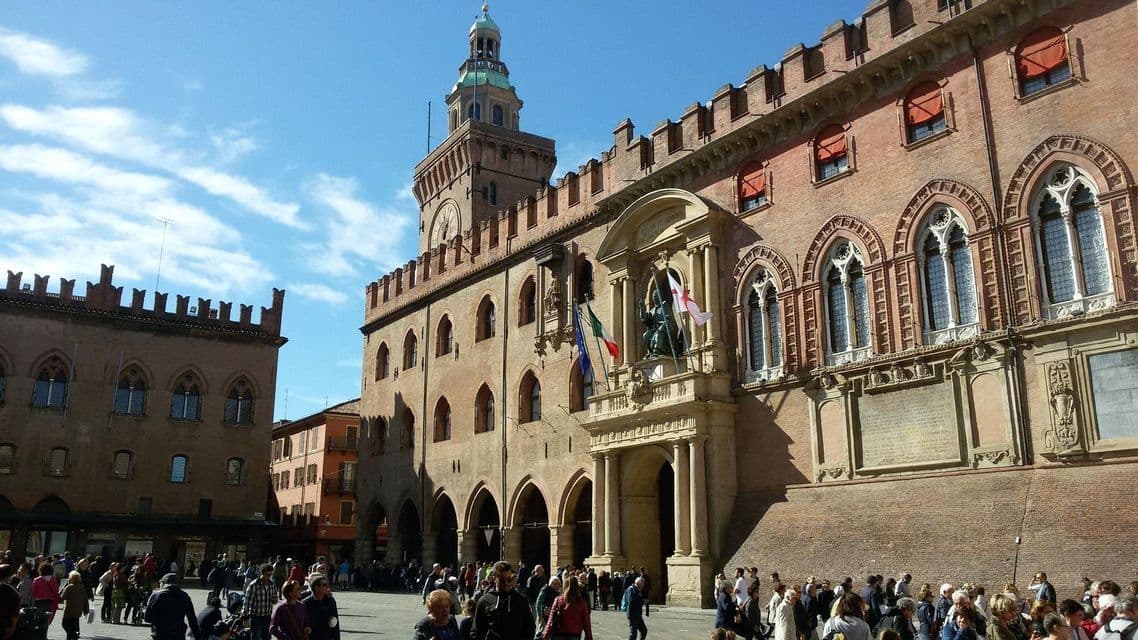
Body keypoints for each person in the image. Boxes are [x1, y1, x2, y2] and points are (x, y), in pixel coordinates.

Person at [472, 561, 535, 640]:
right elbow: (476, 631)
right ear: (494, 578)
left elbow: (530, 628)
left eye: (509, 579)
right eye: (502, 580)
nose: (506, 583)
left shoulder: (521, 601)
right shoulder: (484, 601)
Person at [145, 573, 201, 640]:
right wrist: (198, 636)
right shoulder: (184, 596)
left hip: (160, 634)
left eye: (160, 583)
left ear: (164, 583)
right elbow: (192, 620)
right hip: (178, 634)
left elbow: (147, 618)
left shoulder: (156, 595)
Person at [543, 575, 594, 640]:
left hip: (558, 634)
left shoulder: (558, 600)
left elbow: (551, 621)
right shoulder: (581, 603)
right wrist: (589, 637)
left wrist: (545, 636)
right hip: (574, 635)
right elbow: (586, 623)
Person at [304, 574, 340, 640]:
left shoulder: (331, 601)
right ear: (316, 588)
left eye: (327, 584)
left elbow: (335, 623)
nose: (327, 587)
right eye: (324, 585)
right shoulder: (306, 603)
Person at [58, 570, 89, 640]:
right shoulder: (82, 587)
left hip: (69, 611)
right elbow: (85, 599)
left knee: (65, 624)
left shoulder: (69, 587)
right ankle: (75, 634)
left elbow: (62, 598)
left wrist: (61, 590)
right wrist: (86, 610)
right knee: (75, 625)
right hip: (78, 611)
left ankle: (74, 635)